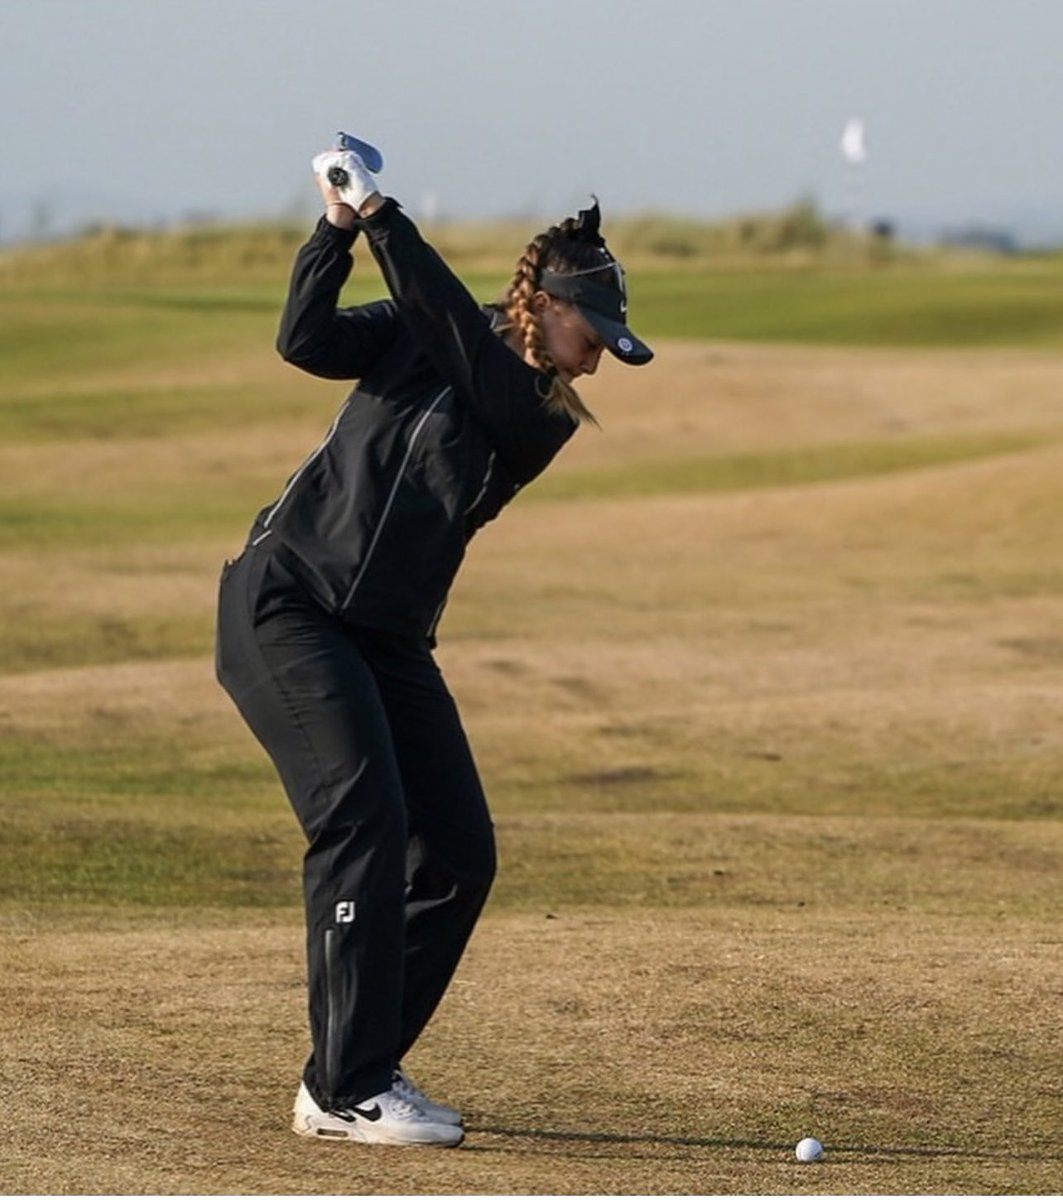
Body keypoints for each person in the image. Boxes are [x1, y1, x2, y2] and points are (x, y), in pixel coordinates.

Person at [214, 140, 653, 1148]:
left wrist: (386, 217)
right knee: (363, 821)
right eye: (593, 331)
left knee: (457, 854)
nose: (599, 356)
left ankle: (346, 1069)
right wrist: (339, 229)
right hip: (289, 606)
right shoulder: (427, 329)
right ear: (544, 304)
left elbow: (460, 340)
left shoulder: (539, 412)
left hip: (388, 638)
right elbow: (304, 339)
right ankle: (350, 1088)